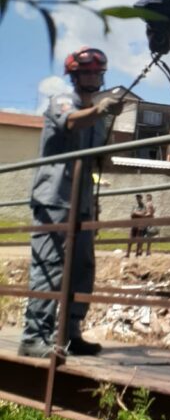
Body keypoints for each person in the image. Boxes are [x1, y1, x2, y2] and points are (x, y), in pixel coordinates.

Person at [18, 47, 123, 358]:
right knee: (49, 267)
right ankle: (34, 337)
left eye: (96, 72)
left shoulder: (98, 116)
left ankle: (70, 332)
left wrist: (108, 127)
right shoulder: (62, 101)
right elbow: (72, 122)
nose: (92, 77)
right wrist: (102, 110)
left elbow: (100, 158)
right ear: (75, 77)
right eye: (86, 72)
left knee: (82, 268)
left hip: (82, 202)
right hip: (54, 200)